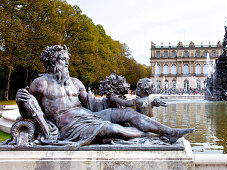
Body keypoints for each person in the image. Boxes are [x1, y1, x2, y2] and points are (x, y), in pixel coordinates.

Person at [16, 45, 193, 146]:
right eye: (63, 59)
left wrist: (111, 98)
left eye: (67, 59)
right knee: (109, 128)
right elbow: (30, 112)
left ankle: (169, 132)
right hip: (70, 125)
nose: (67, 62)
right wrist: (21, 101)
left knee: (127, 113)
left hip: (88, 115)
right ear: (52, 61)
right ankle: (150, 135)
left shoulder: (75, 82)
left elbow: (92, 103)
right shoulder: (41, 83)